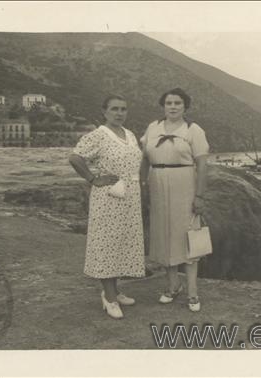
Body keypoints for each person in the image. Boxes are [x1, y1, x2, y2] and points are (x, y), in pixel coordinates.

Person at [68, 94, 145, 319]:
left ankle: (115, 290)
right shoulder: (98, 135)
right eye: (114, 109)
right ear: (104, 112)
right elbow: (75, 158)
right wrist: (93, 179)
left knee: (121, 241)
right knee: (107, 243)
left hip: (129, 196)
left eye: (123, 109)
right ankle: (109, 298)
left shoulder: (129, 134)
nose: (119, 113)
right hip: (108, 196)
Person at [140, 88, 210, 312]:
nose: (172, 106)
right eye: (168, 102)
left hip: (184, 184)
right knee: (165, 236)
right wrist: (141, 185)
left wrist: (199, 195)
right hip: (157, 184)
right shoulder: (153, 128)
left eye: (177, 103)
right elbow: (144, 160)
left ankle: (192, 292)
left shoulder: (193, 130)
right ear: (163, 105)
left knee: (189, 237)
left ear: (185, 107)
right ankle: (172, 286)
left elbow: (202, 165)